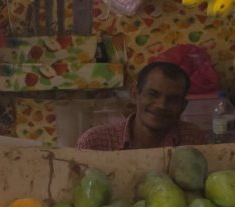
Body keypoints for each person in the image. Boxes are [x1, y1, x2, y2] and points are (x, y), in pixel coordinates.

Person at [76, 61, 207, 150]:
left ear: (183, 106)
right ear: (134, 94)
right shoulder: (95, 143)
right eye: (153, 94)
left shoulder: (192, 139)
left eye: (172, 99)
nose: (161, 105)